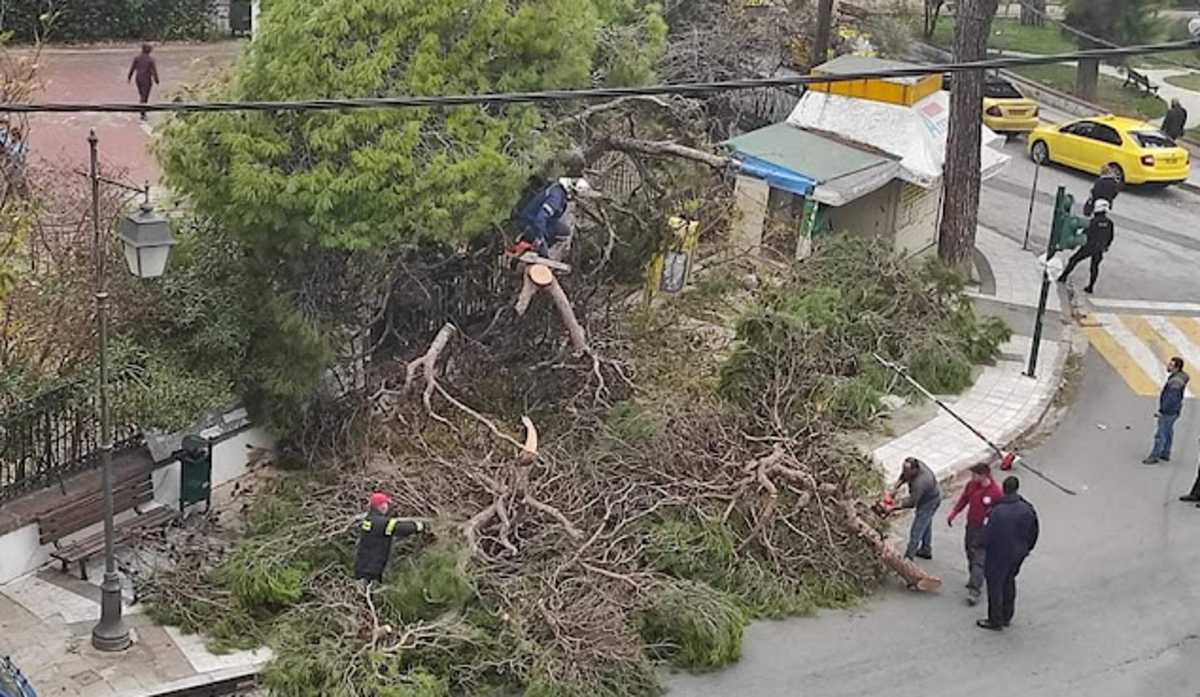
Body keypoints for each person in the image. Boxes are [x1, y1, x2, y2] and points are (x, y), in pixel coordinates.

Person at [977, 476, 1039, 631]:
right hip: (1018, 553)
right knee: (1009, 580)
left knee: (995, 585)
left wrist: (980, 545)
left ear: (1004, 489)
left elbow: (988, 534)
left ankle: (995, 619)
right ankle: (1007, 615)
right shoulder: (1027, 508)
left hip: (998, 554)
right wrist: (1027, 549)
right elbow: (1034, 531)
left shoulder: (997, 511)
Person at [947, 462, 1003, 606]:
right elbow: (964, 499)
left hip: (984, 529)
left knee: (978, 556)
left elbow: (1000, 511)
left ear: (983, 475)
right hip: (971, 526)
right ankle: (975, 576)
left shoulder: (995, 492)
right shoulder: (971, 485)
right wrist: (954, 513)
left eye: (974, 475)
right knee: (969, 552)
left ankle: (974, 589)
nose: (972, 477)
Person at [353, 492, 429, 584]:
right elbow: (400, 528)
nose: (387, 506)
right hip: (372, 569)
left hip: (363, 566)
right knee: (371, 590)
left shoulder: (370, 519)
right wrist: (419, 526)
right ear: (381, 506)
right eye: (386, 504)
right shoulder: (381, 523)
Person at [512, 176, 594, 260]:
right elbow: (540, 219)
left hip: (533, 222)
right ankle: (532, 245)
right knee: (556, 236)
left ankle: (539, 247)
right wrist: (541, 239)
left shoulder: (559, 193)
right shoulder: (556, 198)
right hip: (529, 223)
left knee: (564, 231)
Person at [1056, 198, 1113, 294]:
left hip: (1089, 246)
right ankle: (1090, 287)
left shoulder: (1093, 221)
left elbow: (1086, 233)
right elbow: (1110, 237)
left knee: (1074, 259)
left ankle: (1063, 277)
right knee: (1094, 267)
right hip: (1100, 248)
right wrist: (1106, 246)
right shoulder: (1109, 223)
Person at [890, 457, 942, 561]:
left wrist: (893, 507)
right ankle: (926, 550)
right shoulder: (912, 466)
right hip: (927, 495)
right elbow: (903, 476)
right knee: (926, 523)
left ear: (915, 470)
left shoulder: (921, 482)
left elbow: (911, 502)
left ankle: (908, 558)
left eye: (908, 472)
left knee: (917, 529)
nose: (905, 473)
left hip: (929, 501)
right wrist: (895, 489)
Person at [1144, 357, 1189, 465]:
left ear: (1177, 368)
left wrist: (1162, 410)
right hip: (1175, 410)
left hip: (1169, 411)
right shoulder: (1179, 377)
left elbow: (1171, 399)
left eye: (1171, 365)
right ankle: (1165, 453)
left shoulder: (1175, 382)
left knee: (1160, 433)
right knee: (1168, 431)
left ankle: (1154, 456)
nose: (1168, 366)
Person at [127, 43, 160, 121]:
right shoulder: (151, 60)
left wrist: (129, 77)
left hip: (138, 79)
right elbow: (153, 71)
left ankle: (142, 111)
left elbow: (132, 69)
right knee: (144, 97)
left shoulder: (137, 58)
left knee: (142, 95)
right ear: (149, 50)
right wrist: (157, 80)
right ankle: (143, 113)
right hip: (146, 80)